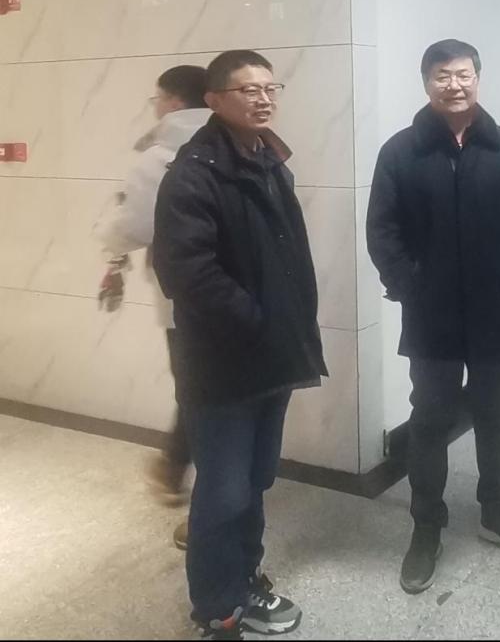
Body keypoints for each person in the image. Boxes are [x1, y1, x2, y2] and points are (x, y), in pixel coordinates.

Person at [153, 50, 327, 639]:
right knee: (224, 492)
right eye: (248, 89)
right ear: (214, 100)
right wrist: (257, 321)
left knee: (254, 481)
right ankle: (217, 609)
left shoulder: (268, 158)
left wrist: (288, 326)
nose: (263, 98)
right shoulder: (194, 172)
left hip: (271, 355)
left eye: (270, 88)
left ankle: (243, 581)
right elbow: (187, 273)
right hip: (223, 363)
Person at [366, 39, 500, 595]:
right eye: (442, 75)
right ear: (426, 83)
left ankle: (497, 510)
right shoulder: (401, 151)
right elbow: (382, 230)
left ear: (478, 78)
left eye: (463, 74)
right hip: (433, 315)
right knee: (430, 420)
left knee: (497, 412)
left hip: (498, 310)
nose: (454, 85)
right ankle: (426, 526)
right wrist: (410, 285)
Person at [95, 64, 209, 549]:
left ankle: (201, 505)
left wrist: (107, 238)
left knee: (200, 395)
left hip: (185, 300)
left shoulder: (161, 158)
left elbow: (135, 226)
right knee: (211, 393)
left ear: (175, 102)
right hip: (243, 299)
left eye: (157, 98)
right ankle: (176, 468)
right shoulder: (241, 144)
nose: (156, 107)